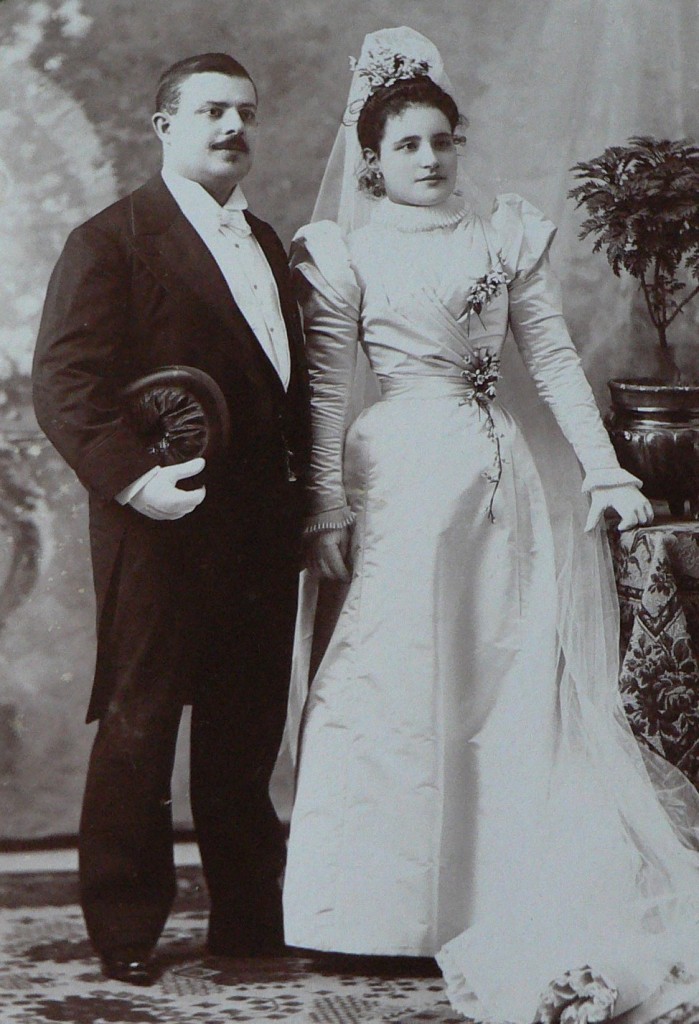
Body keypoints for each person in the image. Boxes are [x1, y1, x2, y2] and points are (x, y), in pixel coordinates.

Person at [281, 26, 699, 1024]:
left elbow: (551, 358)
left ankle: (480, 901)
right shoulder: (349, 251)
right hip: (400, 474)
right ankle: (372, 912)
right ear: (372, 158)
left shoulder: (498, 236)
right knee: (393, 671)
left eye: (444, 141)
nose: (430, 159)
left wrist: (604, 470)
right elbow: (329, 394)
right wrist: (325, 507)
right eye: (410, 145)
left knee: (503, 673)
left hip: (495, 474)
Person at [32, 52, 310, 985]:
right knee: (142, 723)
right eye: (211, 113)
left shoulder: (265, 240)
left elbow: (286, 387)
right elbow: (64, 386)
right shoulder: (110, 239)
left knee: (244, 729)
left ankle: (245, 922)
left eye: (245, 112)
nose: (233, 128)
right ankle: (124, 928)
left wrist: (303, 501)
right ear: (164, 127)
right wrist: (132, 485)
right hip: (158, 521)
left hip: (258, 533)